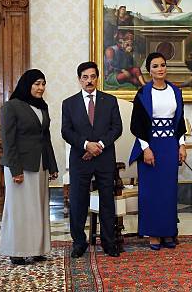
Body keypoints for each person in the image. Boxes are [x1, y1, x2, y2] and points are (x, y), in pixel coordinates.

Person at [62, 61, 123, 258]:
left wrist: (99, 146)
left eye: (92, 77)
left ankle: (108, 242)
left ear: (97, 78)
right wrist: (86, 145)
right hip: (80, 158)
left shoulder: (110, 100)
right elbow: (66, 131)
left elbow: (116, 128)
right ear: (79, 79)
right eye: (85, 77)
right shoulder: (69, 103)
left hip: (104, 158)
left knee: (106, 200)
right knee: (79, 202)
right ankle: (79, 243)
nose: (89, 81)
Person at [0, 69, 59, 265]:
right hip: (20, 166)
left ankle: (37, 249)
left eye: (43, 84)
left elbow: (45, 138)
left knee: (38, 207)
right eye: (37, 84)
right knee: (20, 209)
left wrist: (52, 164)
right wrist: (15, 170)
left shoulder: (43, 107)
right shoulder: (11, 106)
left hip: (40, 164)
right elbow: (8, 141)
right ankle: (17, 250)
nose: (41, 88)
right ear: (27, 84)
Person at [129, 52, 186, 250]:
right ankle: (153, 233)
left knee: (169, 191)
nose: (160, 69)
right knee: (151, 192)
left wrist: (182, 145)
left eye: (163, 65)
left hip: (170, 145)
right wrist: (146, 149)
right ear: (149, 70)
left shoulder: (176, 92)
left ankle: (168, 232)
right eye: (155, 66)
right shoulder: (143, 93)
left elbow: (179, 122)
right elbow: (136, 125)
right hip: (150, 146)